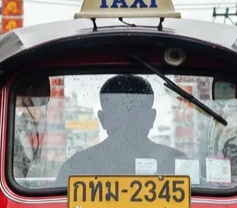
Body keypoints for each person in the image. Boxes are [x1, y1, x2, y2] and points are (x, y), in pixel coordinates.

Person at [54, 75, 187, 185]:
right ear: (103, 119)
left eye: (135, 116)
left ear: (151, 118)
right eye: (120, 116)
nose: (128, 124)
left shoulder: (77, 166)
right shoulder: (176, 163)